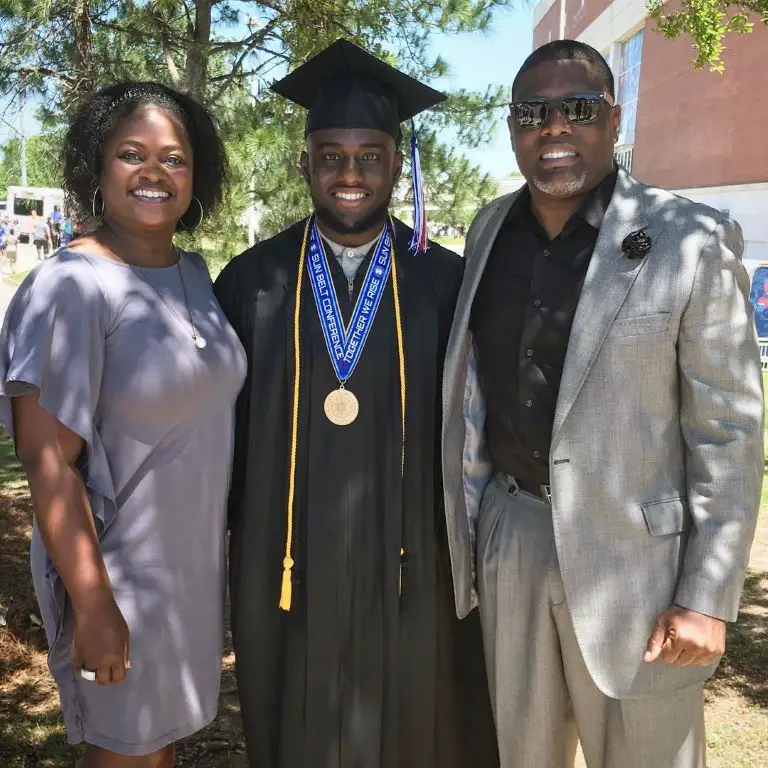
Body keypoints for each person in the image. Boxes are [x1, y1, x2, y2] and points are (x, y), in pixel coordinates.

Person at [441, 39, 763, 768]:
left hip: (639, 564)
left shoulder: (691, 239)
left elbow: (728, 431)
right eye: (533, 112)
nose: (553, 127)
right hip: (514, 535)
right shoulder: (490, 230)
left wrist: (707, 596)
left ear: (612, 118)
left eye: (576, 108)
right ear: (513, 126)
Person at [214, 39, 498, 768]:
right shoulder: (253, 281)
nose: (350, 173)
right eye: (331, 154)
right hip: (286, 560)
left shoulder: (446, 283)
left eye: (370, 155)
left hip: (412, 562)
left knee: (416, 720)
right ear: (304, 162)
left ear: (397, 167)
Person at [0, 81, 246, 767]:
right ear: (95, 166)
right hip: (118, 578)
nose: (153, 172)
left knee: (157, 752)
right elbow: (47, 461)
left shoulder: (193, 274)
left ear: (196, 177)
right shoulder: (71, 287)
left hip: (188, 577)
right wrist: (95, 604)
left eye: (174, 158)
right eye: (130, 154)